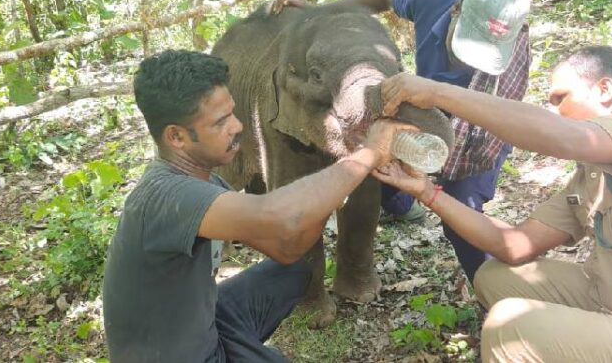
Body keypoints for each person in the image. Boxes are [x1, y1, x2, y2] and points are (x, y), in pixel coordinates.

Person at [374, 45, 612, 361]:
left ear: (604, 90)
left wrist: (437, 93)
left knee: (510, 328)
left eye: (560, 98)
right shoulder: (592, 177)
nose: (554, 110)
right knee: (495, 277)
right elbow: (514, 246)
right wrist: (426, 192)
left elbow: (562, 137)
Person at [102, 50, 410, 363]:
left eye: (233, 113)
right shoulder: (165, 196)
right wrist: (369, 153)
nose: (237, 126)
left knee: (295, 271)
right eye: (221, 122)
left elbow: (288, 250)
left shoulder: (206, 183)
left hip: (204, 322)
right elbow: (279, 216)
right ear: (177, 137)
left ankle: (238, 345)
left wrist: (330, 192)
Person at [275, 0, 532, 282]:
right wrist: (323, 12)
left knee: (460, 217)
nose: (471, 64)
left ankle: (493, 292)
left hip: (478, 131)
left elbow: (500, 122)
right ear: (456, 10)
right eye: (467, 46)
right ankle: (403, 205)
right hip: (424, 105)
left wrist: (440, 185)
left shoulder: (514, 56)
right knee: (378, 160)